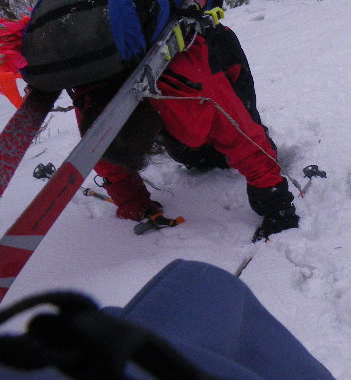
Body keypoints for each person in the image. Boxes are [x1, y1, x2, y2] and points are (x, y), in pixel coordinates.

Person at [72, 21, 299, 242]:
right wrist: (133, 203)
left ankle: (263, 161)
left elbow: (244, 140)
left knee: (241, 128)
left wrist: (276, 208)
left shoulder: (191, 93)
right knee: (191, 153)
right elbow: (110, 163)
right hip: (148, 78)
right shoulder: (95, 116)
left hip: (214, 51)